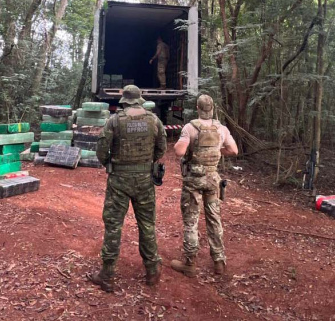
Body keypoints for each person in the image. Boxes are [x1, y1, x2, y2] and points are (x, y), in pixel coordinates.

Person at [89, 85, 167, 292]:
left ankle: (107, 275)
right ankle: (152, 271)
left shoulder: (115, 121)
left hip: (119, 180)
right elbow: (162, 147)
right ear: (140, 99)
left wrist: (110, 164)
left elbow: (101, 150)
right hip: (144, 180)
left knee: (114, 225)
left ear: (124, 100)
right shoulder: (154, 120)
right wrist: (148, 162)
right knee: (147, 224)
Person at [170, 94, 238, 277]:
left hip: (194, 180)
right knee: (214, 219)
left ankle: (190, 263)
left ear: (198, 108)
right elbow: (234, 150)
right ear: (213, 109)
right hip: (212, 180)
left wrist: (192, 148)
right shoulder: (221, 128)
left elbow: (179, 151)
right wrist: (217, 150)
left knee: (191, 220)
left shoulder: (190, 128)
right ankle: (219, 262)